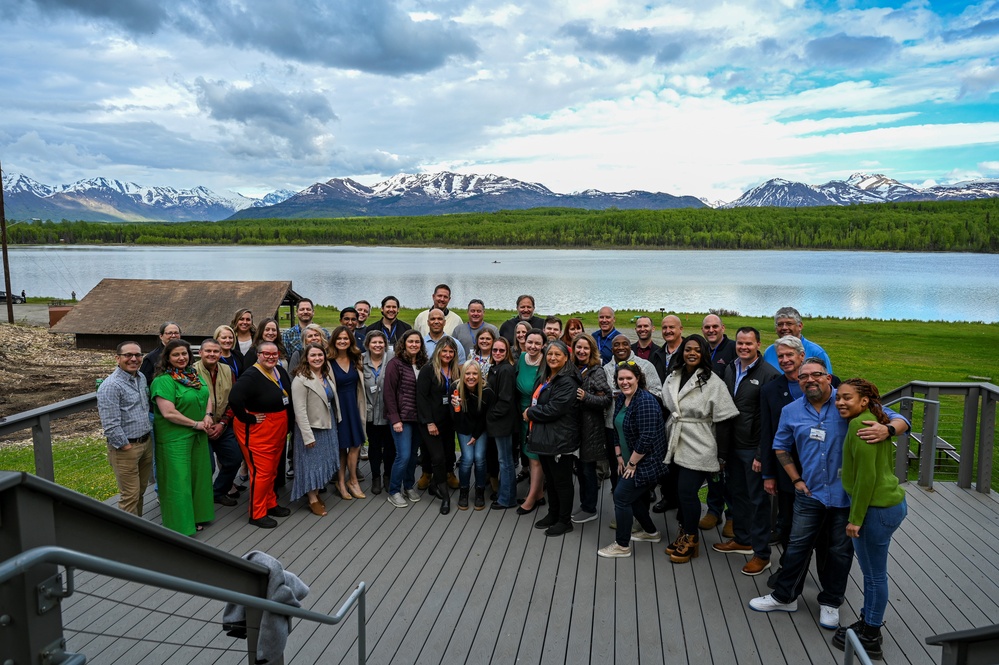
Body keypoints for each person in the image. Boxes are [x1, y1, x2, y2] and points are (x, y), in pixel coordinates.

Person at [748, 358, 909, 630]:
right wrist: (795, 479)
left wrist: (888, 429)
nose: (809, 380)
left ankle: (831, 602)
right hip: (810, 493)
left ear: (828, 377)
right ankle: (784, 596)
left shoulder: (848, 401)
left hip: (846, 497)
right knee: (797, 546)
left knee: (838, 552)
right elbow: (780, 447)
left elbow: (900, 418)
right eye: (803, 377)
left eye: (816, 375)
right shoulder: (791, 411)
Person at [832, 378, 907, 659]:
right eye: (838, 397)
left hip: (875, 510)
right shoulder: (875, 417)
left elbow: (866, 478)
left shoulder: (859, 425)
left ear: (863, 401)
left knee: (874, 576)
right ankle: (868, 619)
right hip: (889, 504)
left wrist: (855, 519)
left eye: (847, 397)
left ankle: (871, 633)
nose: (840, 402)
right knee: (874, 573)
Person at [661, 334, 739, 563]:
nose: (691, 353)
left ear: (704, 353)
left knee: (687, 492)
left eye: (697, 349)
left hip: (700, 443)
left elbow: (724, 420)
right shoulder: (673, 376)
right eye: (687, 349)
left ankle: (691, 538)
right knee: (678, 491)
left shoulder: (713, 382)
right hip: (675, 440)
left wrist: (722, 455)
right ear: (682, 352)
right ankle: (684, 532)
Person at [712, 327, 781, 576]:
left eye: (748, 344)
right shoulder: (731, 368)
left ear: (758, 345)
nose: (743, 347)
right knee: (736, 495)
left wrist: (762, 455)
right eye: (740, 343)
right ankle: (742, 539)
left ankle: (762, 554)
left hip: (753, 449)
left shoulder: (769, 376)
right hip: (732, 446)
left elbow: (769, 421)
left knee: (758, 502)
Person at [597, 362, 668, 557]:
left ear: (638, 378)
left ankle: (622, 545)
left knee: (621, 498)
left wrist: (632, 463)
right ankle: (651, 532)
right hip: (628, 461)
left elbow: (647, 438)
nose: (625, 382)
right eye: (621, 379)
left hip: (646, 463)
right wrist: (619, 457)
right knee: (632, 497)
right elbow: (616, 428)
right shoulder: (621, 399)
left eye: (629, 378)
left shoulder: (645, 401)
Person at [150, 339, 215, 536]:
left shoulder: (193, 375)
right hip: (175, 439)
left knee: (199, 478)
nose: (181, 358)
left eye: (184, 354)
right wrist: (195, 423)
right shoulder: (163, 381)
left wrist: (207, 415)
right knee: (179, 482)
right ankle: (181, 524)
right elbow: (168, 413)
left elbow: (207, 396)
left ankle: (198, 515)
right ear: (167, 358)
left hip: (197, 435)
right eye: (176, 355)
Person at [228, 340, 295, 529]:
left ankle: (270, 503)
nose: (271, 357)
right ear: (258, 355)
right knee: (261, 472)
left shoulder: (279, 371)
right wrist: (247, 418)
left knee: (272, 469)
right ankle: (257, 513)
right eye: (266, 353)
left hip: (278, 426)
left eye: (274, 353)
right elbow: (234, 398)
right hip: (259, 429)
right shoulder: (251, 375)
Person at [525, 339, 581, 537]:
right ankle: (553, 513)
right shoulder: (547, 376)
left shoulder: (567, 381)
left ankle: (565, 521)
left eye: (558, 354)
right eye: (550, 354)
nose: (553, 357)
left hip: (560, 439)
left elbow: (555, 409)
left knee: (562, 482)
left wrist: (530, 413)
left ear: (566, 358)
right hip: (546, 438)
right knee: (551, 478)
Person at [97, 341, 153, 516]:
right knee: (130, 496)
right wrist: (125, 446)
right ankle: (128, 537)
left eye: (137, 355)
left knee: (140, 491)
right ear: (117, 358)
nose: (134, 359)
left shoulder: (141, 377)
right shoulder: (111, 386)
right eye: (128, 355)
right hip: (126, 448)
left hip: (145, 443)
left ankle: (139, 528)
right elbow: (110, 425)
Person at [290, 343, 341, 517]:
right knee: (311, 465)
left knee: (322, 462)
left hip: (327, 426)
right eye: (313, 355)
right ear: (306, 358)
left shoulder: (326, 375)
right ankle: (312, 498)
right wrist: (307, 436)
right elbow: (299, 411)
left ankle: (317, 492)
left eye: (320, 355)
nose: (317, 358)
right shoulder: (300, 379)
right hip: (311, 429)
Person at [193, 338, 244, 508]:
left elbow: (234, 400)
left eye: (215, 351)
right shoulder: (191, 372)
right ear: (200, 353)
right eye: (208, 351)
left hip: (223, 424)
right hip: (200, 427)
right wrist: (202, 424)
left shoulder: (228, 370)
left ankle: (217, 492)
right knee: (207, 467)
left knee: (235, 458)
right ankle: (202, 499)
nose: (212, 354)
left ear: (220, 353)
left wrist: (223, 423)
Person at [699, 313, 738, 532]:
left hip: (729, 419)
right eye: (707, 327)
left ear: (722, 327)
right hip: (707, 420)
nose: (711, 330)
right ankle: (714, 510)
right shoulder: (702, 348)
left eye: (715, 326)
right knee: (712, 467)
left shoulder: (732, 349)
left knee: (729, 469)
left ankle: (732, 514)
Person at [417, 337, 462, 514]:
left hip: (448, 422)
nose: (448, 354)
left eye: (451, 352)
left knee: (448, 454)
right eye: (444, 351)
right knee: (437, 458)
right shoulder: (428, 370)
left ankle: (435, 485)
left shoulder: (455, 370)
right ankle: (445, 497)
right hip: (431, 422)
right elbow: (421, 398)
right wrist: (429, 422)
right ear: (438, 352)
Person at [383, 329, 427, 508]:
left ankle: (408, 486)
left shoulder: (424, 363)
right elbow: (389, 393)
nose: (414, 345)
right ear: (404, 343)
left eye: (417, 342)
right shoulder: (396, 363)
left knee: (413, 456)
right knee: (403, 455)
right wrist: (395, 419)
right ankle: (394, 490)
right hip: (402, 418)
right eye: (411, 342)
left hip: (419, 418)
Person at [571, 334, 612, 524]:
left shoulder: (597, 372)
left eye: (586, 348)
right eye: (578, 347)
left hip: (591, 428)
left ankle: (590, 508)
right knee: (579, 468)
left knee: (588, 470)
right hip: (574, 427)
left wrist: (586, 397)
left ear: (592, 350)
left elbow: (606, 399)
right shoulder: (571, 369)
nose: (582, 351)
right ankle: (585, 503)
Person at [327, 325, 367, 499]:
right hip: (338, 408)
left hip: (354, 406)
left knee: (356, 444)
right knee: (342, 447)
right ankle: (341, 483)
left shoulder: (356, 358)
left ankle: (353, 480)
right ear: (334, 341)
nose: (342, 341)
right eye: (339, 339)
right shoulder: (327, 362)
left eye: (346, 338)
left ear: (350, 341)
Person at [452, 360, 492, 510]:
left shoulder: (486, 391)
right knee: (467, 459)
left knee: (480, 458)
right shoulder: (455, 388)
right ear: (463, 375)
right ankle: (464, 491)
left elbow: (484, 418)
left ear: (480, 375)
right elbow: (457, 421)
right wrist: (457, 408)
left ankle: (480, 491)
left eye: (475, 373)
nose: (471, 377)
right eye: (467, 373)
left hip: (480, 429)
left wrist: (475, 435)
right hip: (463, 428)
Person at [515, 329, 547, 514]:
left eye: (537, 343)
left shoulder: (546, 362)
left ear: (543, 344)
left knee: (535, 459)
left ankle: (531, 498)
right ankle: (540, 493)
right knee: (527, 453)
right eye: (530, 342)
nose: (533, 346)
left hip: (537, 414)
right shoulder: (522, 358)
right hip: (521, 413)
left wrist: (533, 411)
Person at [486, 336, 518, 510]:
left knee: (505, 461)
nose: (497, 353)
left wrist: (489, 416)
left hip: (502, 423)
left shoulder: (506, 370)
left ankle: (507, 498)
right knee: (503, 460)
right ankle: (504, 493)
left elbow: (505, 400)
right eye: (495, 350)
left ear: (507, 353)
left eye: (501, 350)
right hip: (498, 423)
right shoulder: (495, 368)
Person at [362, 329, 395, 495]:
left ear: (385, 345)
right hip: (370, 413)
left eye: (381, 342)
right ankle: (376, 477)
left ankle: (388, 476)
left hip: (389, 412)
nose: (377, 345)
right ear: (368, 344)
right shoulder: (360, 361)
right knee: (374, 446)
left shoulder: (393, 360)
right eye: (374, 342)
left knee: (390, 447)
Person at [762, 306, 833, 375]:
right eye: (780, 324)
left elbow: (827, 383)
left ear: (800, 326)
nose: (784, 328)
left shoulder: (817, 353)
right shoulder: (769, 352)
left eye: (789, 324)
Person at [650, 314, 684, 383]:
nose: (667, 331)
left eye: (671, 327)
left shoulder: (689, 353)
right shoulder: (656, 355)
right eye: (664, 328)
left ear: (681, 329)